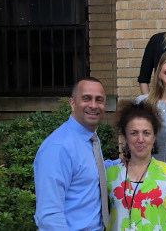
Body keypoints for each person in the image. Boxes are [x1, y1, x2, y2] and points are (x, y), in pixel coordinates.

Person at [34, 77, 116, 230]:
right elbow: (49, 216)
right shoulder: (58, 147)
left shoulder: (88, 137)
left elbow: (88, 170)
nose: (93, 105)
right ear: (72, 103)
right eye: (86, 99)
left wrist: (123, 161)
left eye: (99, 100)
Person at [106, 100, 166, 230]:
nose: (140, 139)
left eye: (146, 133)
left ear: (154, 137)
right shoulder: (110, 176)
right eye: (134, 133)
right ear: (126, 138)